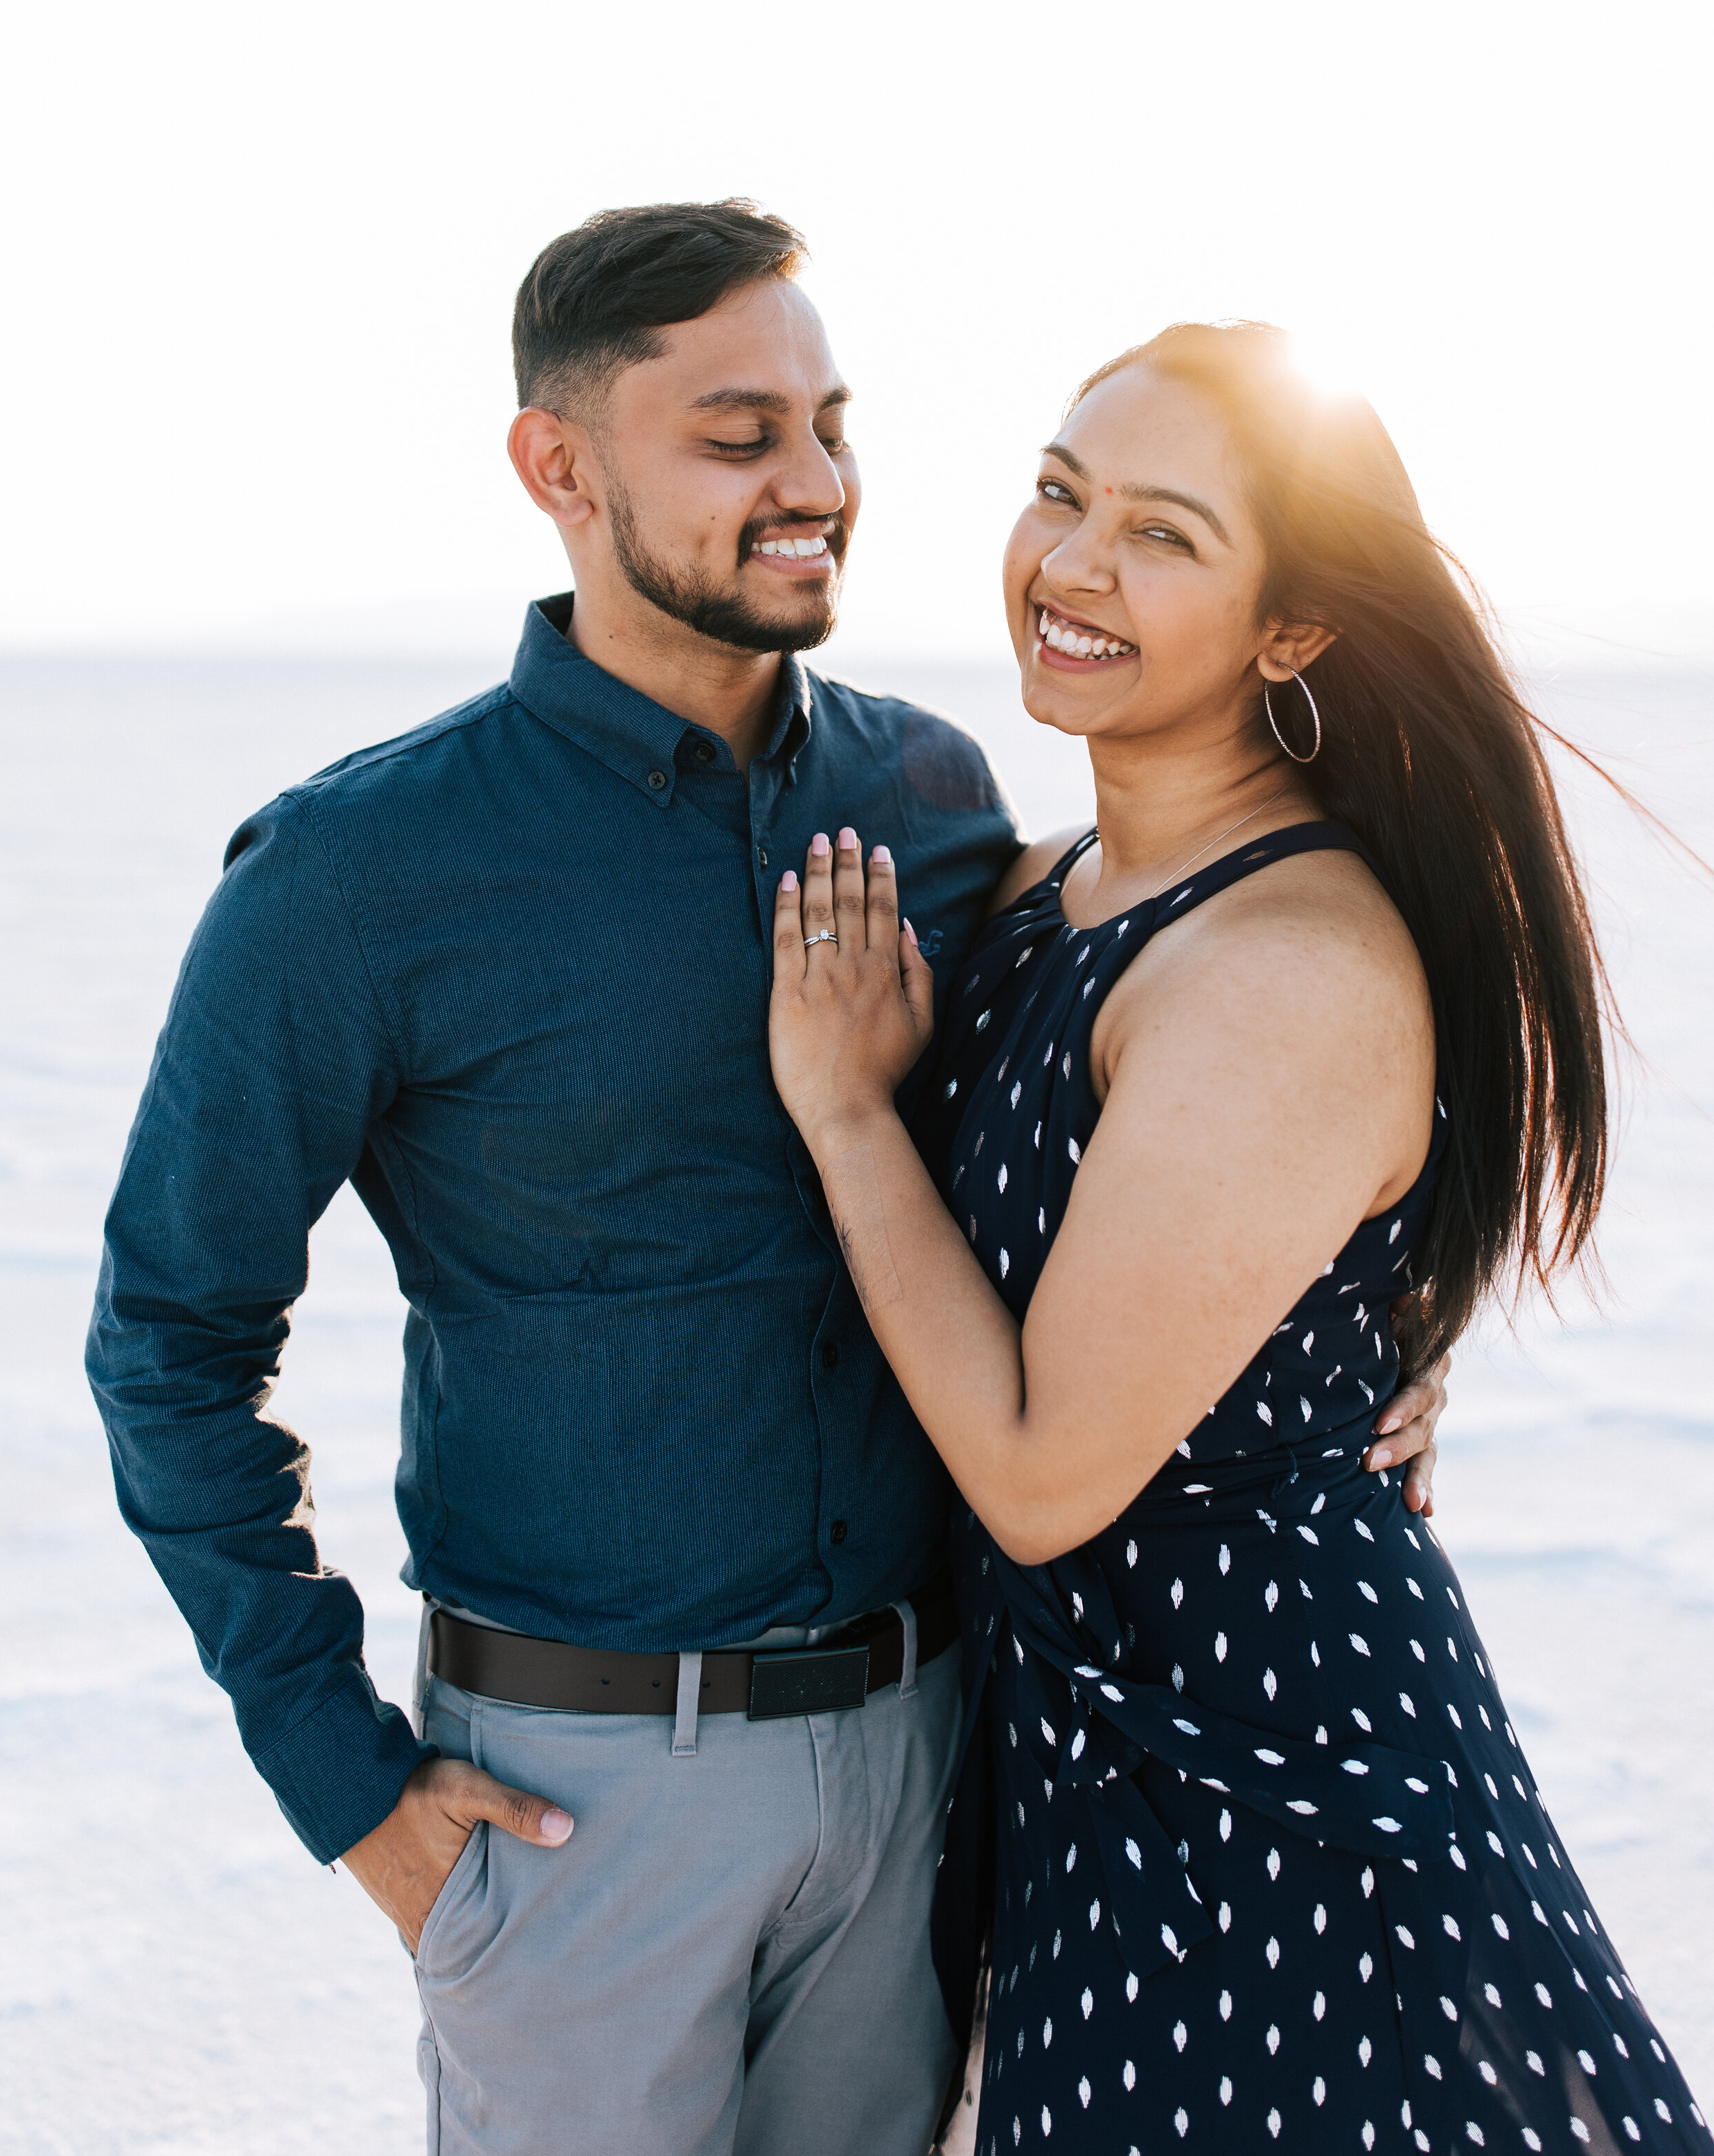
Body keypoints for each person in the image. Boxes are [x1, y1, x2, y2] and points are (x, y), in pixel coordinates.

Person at [86, 220, 1446, 2156]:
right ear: (560, 472)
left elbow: (1182, 1117)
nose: (812, 484)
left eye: (827, 423)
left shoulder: (939, 799)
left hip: (931, 1765)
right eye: (737, 437)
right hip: (576, 1801)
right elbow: (168, 1342)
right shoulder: (351, 876)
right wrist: (345, 1785)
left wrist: (1361, 1344)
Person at [766, 321, 1704, 2154]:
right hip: (1090, 1768)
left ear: (1293, 629)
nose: (1073, 564)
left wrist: (850, 1112)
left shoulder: (1285, 963)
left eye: (1165, 535)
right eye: (1058, 494)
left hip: (1280, 1792)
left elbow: (1042, 1476)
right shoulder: (1051, 891)